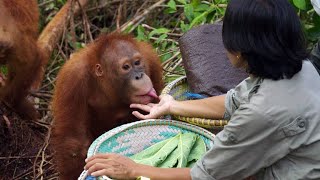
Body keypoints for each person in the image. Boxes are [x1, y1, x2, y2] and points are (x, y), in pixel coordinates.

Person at [84, 0, 320, 179]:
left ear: (239, 50)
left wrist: (134, 169)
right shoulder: (301, 67)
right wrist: (173, 105)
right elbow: (234, 100)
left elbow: (204, 174)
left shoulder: (260, 114)